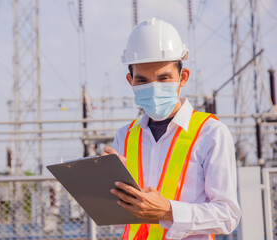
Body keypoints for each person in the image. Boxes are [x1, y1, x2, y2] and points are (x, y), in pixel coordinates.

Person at [102, 18, 241, 240]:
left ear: (182, 77)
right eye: (143, 81)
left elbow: (227, 216)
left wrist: (168, 211)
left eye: (164, 78)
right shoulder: (125, 136)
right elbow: (120, 221)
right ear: (130, 81)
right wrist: (109, 189)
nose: (154, 87)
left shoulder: (210, 133)